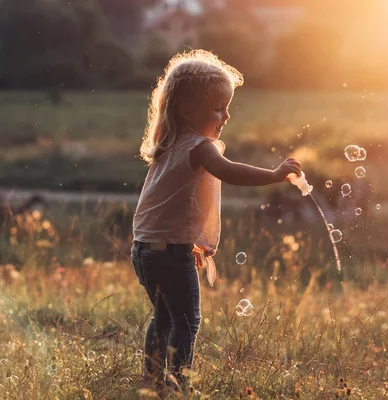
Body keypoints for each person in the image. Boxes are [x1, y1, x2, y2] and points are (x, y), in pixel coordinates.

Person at [130, 49, 302, 393]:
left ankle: (151, 378)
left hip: (144, 250)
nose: (225, 115)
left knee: (163, 317)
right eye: (217, 107)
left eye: (227, 106)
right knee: (186, 321)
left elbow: (170, 205)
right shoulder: (199, 146)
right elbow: (229, 171)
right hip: (170, 254)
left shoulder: (168, 145)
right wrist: (274, 174)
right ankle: (180, 382)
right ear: (187, 110)